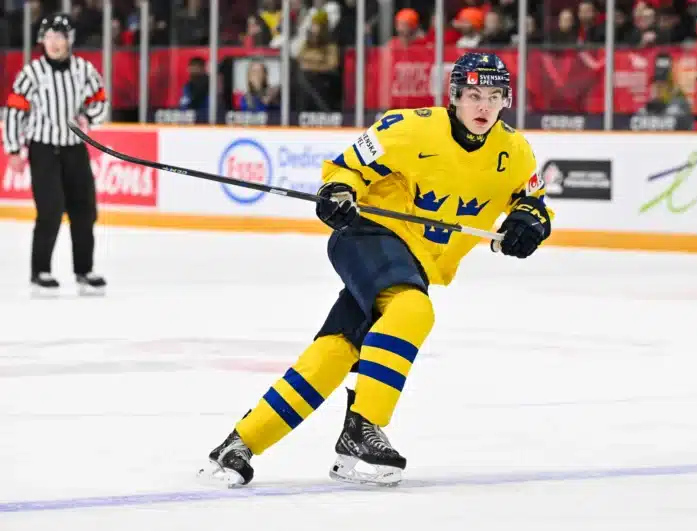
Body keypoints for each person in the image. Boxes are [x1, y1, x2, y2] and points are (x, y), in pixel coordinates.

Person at [200, 52, 553, 487]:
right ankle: (363, 427)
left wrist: (528, 223)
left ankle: (240, 443)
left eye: (494, 97)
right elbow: (345, 170)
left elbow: (532, 203)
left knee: (338, 350)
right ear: (455, 96)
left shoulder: (515, 152)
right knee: (413, 311)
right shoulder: (408, 128)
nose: (484, 106)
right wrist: (338, 191)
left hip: (416, 265)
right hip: (367, 236)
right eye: (474, 95)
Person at [1, 13, 108, 296]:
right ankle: (41, 271)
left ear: (69, 40)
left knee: (84, 210)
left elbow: (99, 101)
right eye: (48, 38)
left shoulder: (83, 69)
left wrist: (89, 115)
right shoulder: (31, 73)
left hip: (74, 148)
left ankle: (84, 270)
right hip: (43, 148)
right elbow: (14, 111)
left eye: (58, 37)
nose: (53, 43)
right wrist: (13, 149)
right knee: (50, 210)